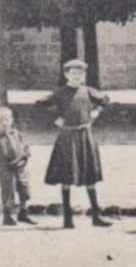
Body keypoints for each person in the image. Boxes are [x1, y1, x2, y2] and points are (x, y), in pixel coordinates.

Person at [39, 59, 112, 229]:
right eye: (73, 74)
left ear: (84, 75)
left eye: (80, 74)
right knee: (66, 175)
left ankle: (96, 216)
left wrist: (96, 112)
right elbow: (40, 104)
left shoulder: (88, 91)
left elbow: (105, 100)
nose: (77, 77)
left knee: (90, 174)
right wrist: (55, 118)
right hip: (67, 137)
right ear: (66, 75)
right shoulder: (60, 93)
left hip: (85, 136)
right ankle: (67, 218)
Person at [0, 107, 34, 226]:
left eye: (7, 119)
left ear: (12, 120)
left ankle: (23, 213)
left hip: (20, 165)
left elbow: (25, 148)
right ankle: (8, 216)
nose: (4, 123)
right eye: (1, 120)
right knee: (8, 190)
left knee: (24, 187)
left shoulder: (16, 133)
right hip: (5, 167)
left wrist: (24, 158)